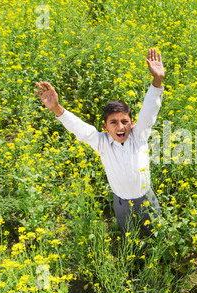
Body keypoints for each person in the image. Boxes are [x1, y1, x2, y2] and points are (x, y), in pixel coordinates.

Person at [33, 48, 165, 238]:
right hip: (121, 203)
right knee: (128, 237)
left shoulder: (139, 136)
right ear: (105, 126)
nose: (120, 127)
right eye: (114, 122)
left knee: (157, 236)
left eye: (125, 121)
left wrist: (157, 81)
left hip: (146, 199)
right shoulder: (102, 143)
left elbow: (149, 111)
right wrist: (57, 108)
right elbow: (81, 129)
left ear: (132, 123)